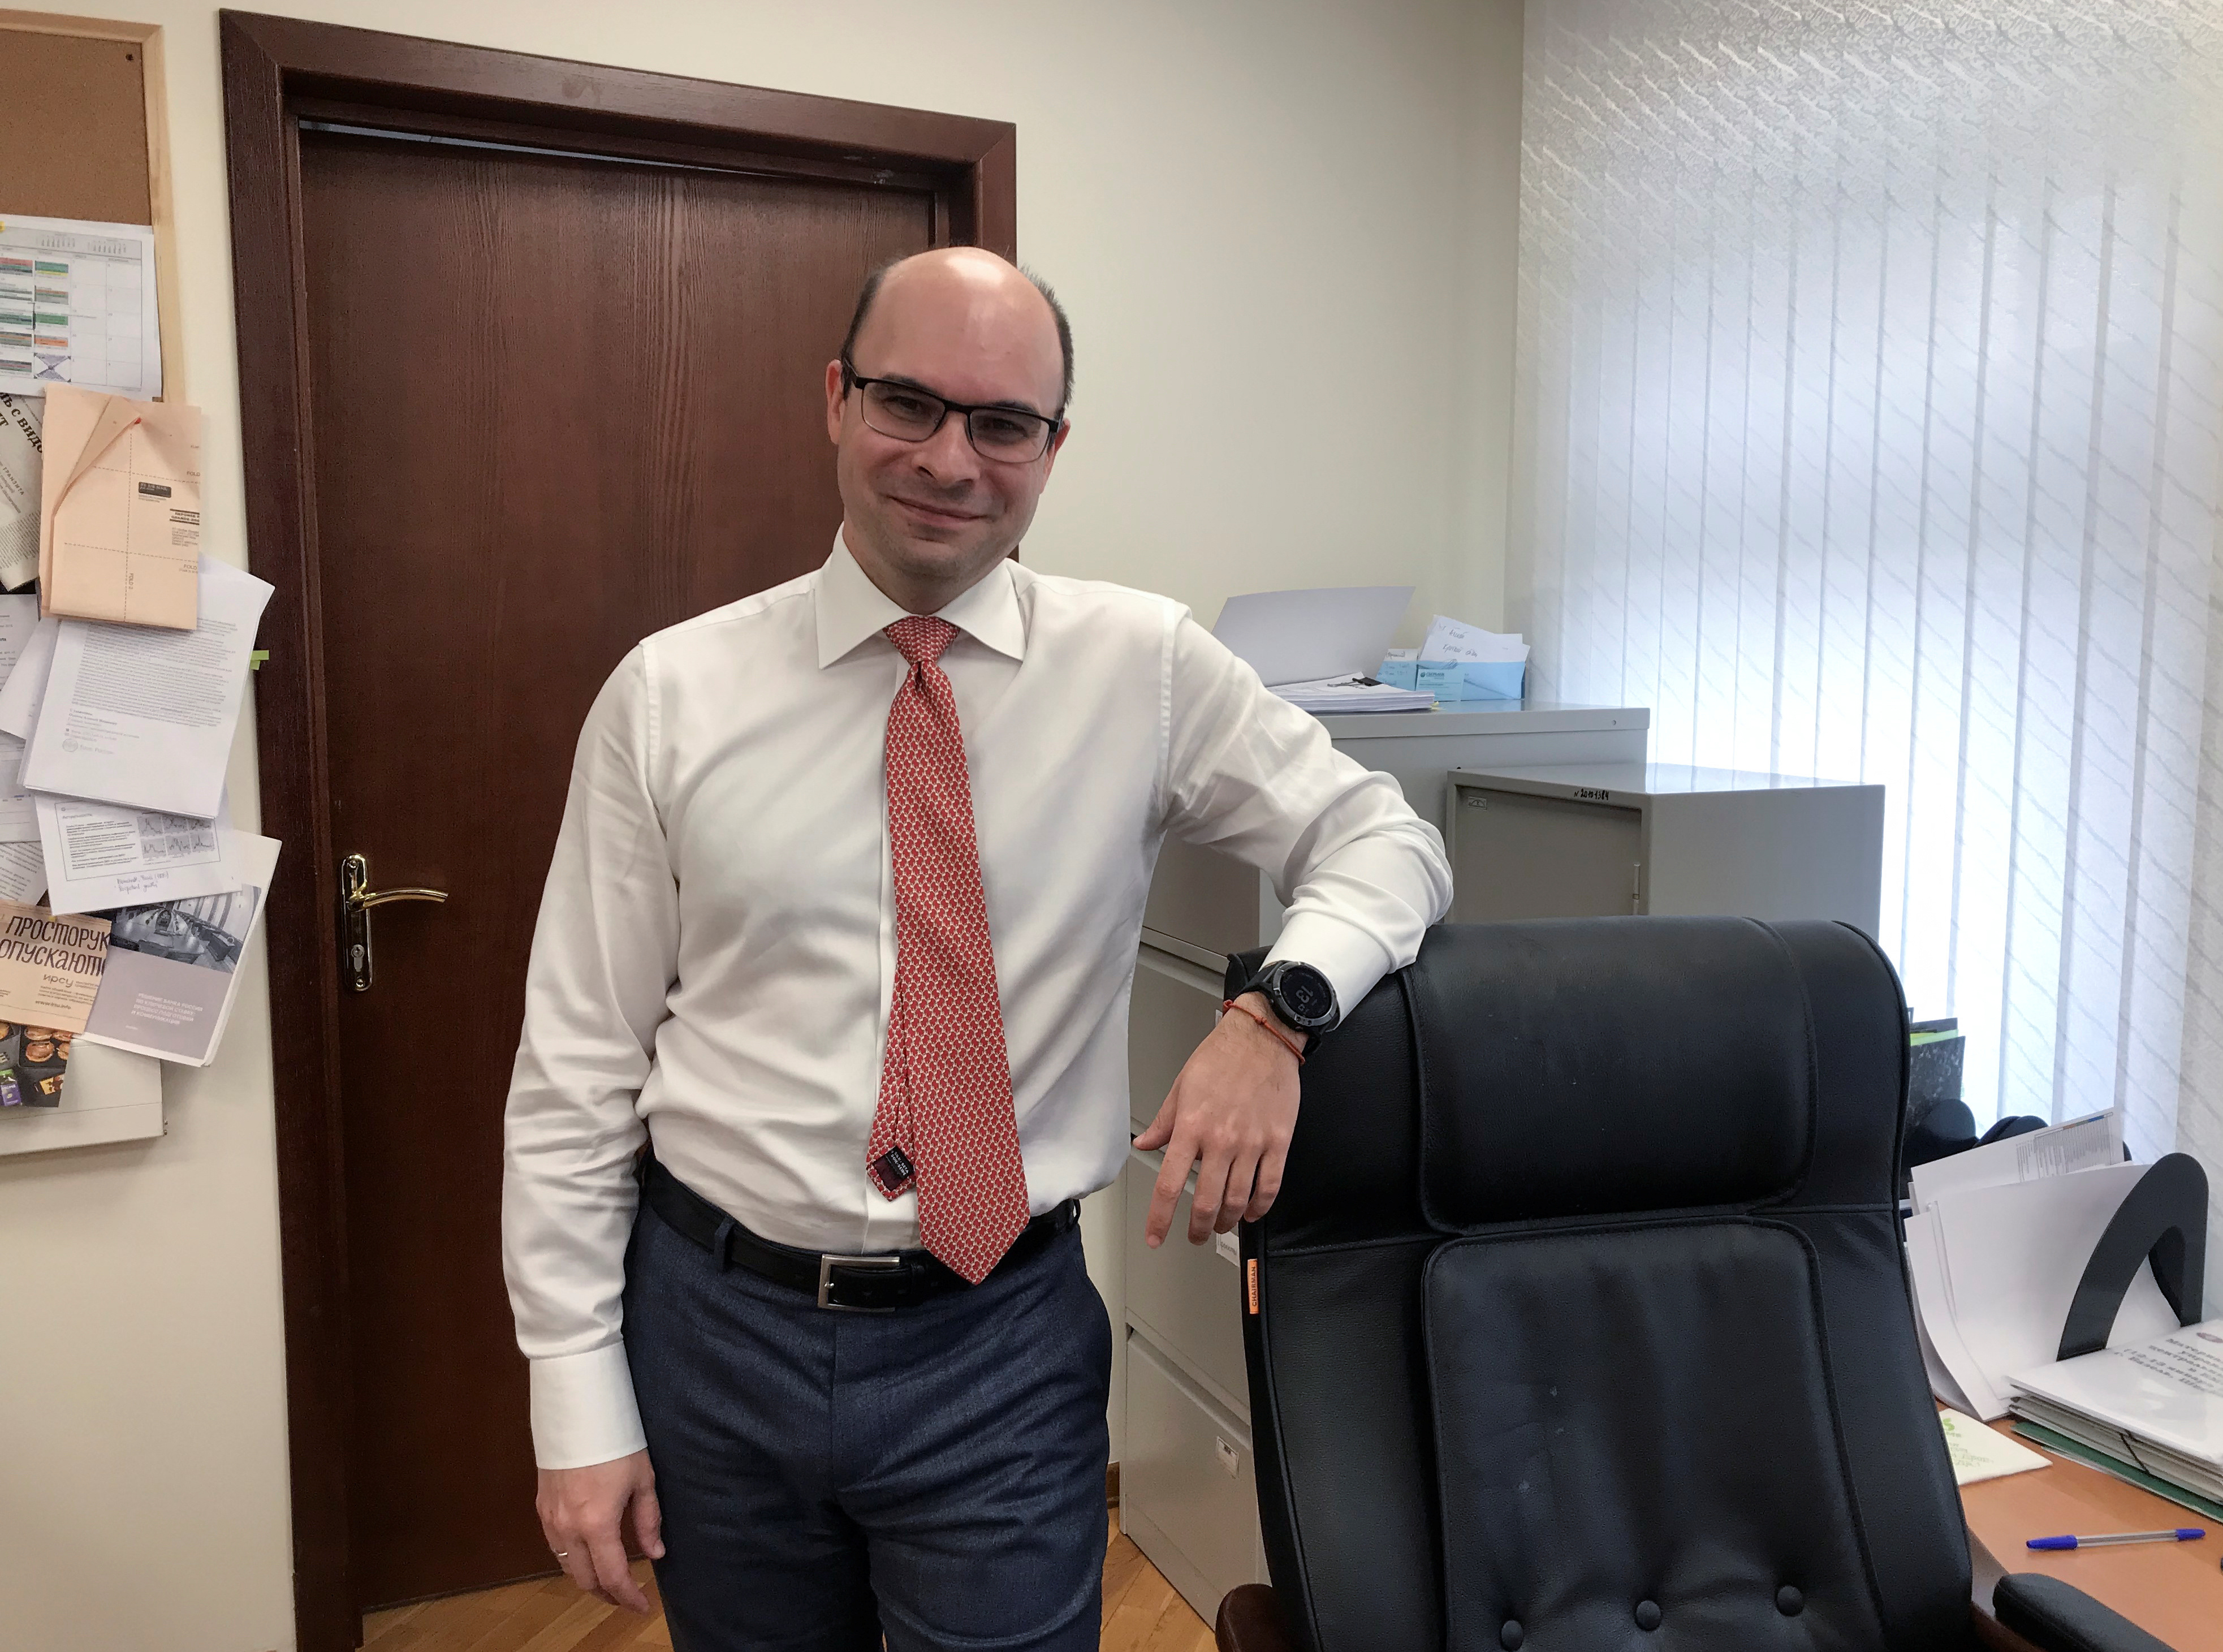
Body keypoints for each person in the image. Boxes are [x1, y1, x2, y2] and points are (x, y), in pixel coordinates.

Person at [502, 245, 1452, 1650]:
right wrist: (574, 1393)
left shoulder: (1142, 668)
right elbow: (577, 1067)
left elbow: (1384, 839)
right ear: (837, 399)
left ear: (1052, 450)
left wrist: (1276, 1016)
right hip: (716, 1335)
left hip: (997, 1348)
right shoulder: (672, 693)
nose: (951, 460)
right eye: (909, 403)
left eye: (1003, 423)